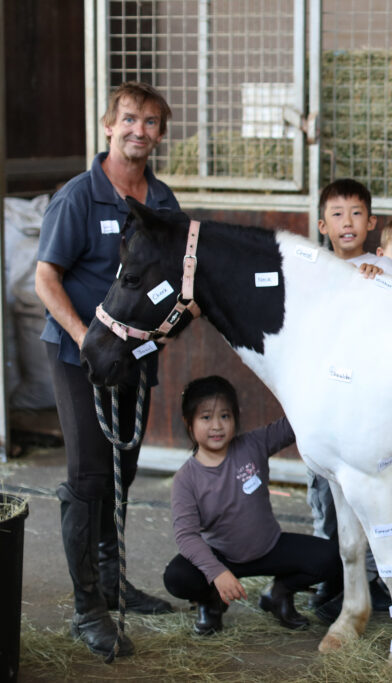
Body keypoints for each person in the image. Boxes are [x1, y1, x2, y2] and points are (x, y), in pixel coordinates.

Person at [35, 81, 177, 658]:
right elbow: (46, 279)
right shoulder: (78, 196)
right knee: (90, 477)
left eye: (149, 122)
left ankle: (114, 582)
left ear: (159, 134)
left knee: (122, 470)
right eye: (128, 119)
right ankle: (87, 608)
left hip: (135, 357)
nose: (137, 130)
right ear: (107, 125)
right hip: (78, 355)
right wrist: (83, 337)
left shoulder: (163, 202)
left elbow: (174, 284)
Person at [163, 376, 342, 635]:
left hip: (270, 547)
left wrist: (321, 386)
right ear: (188, 423)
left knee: (331, 557)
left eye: (225, 416)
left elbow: (293, 426)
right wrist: (217, 573)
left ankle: (278, 593)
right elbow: (186, 536)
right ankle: (210, 603)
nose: (217, 426)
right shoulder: (186, 479)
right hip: (222, 555)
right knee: (177, 577)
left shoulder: (252, 445)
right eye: (205, 417)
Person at [307, 178, 392, 620]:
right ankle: (333, 581)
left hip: (368, 407)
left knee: (370, 500)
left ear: (372, 222)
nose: (348, 222)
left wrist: (378, 279)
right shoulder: (312, 268)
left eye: (357, 213)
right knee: (327, 503)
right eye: (338, 214)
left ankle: (377, 583)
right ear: (323, 224)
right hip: (327, 405)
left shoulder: (384, 268)